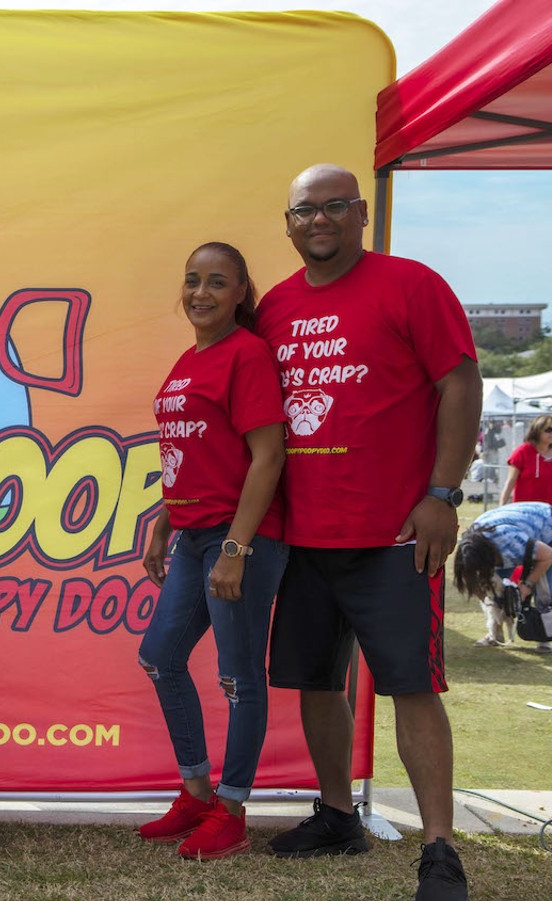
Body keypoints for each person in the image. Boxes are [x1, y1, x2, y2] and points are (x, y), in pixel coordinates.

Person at [255, 164, 481, 901]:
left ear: (360, 213)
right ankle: (337, 815)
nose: (319, 221)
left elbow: (460, 380)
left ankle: (440, 849)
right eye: (305, 211)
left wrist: (442, 494)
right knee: (318, 681)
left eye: (334, 207)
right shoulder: (276, 307)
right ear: (287, 223)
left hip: (394, 534)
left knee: (412, 685)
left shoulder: (412, 284)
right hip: (304, 535)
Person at [137, 242, 288, 860]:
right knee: (160, 658)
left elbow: (267, 456)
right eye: (192, 280)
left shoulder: (246, 355)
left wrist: (236, 547)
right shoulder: (189, 358)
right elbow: (198, 454)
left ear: (241, 292)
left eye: (217, 282)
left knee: (237, 676)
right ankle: (197, 793)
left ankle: (231, 810)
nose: (201, 293)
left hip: (239, 537)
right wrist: (164, 519)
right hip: (196, 534)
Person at [453, 501, 552, 653]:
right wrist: (488, 597)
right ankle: (495, 634)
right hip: (510, 537)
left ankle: (544, 636)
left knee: (545, 587)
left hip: (546, 528)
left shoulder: (509, 542)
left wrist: (526, 586)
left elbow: (547, 556)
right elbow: (479, 583)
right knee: (494, 591)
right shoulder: (472, 544)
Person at [500, 415, 552, 504]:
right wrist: (501, 507)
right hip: (525, 510)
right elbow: (510, 482)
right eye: (549, 430)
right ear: (537, 431)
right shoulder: (522, 452)